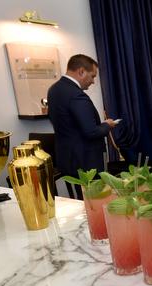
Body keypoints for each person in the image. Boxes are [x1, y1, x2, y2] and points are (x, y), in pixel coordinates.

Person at [47, 54, 118, 198]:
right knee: (93, 202)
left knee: (81, 201)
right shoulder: (76, 95)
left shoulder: (54, 89)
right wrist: (107, 125)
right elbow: (91, 132)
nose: (92, 82)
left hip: (67, 157)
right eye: (92, 76)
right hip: (86, 160)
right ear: (81, 71)